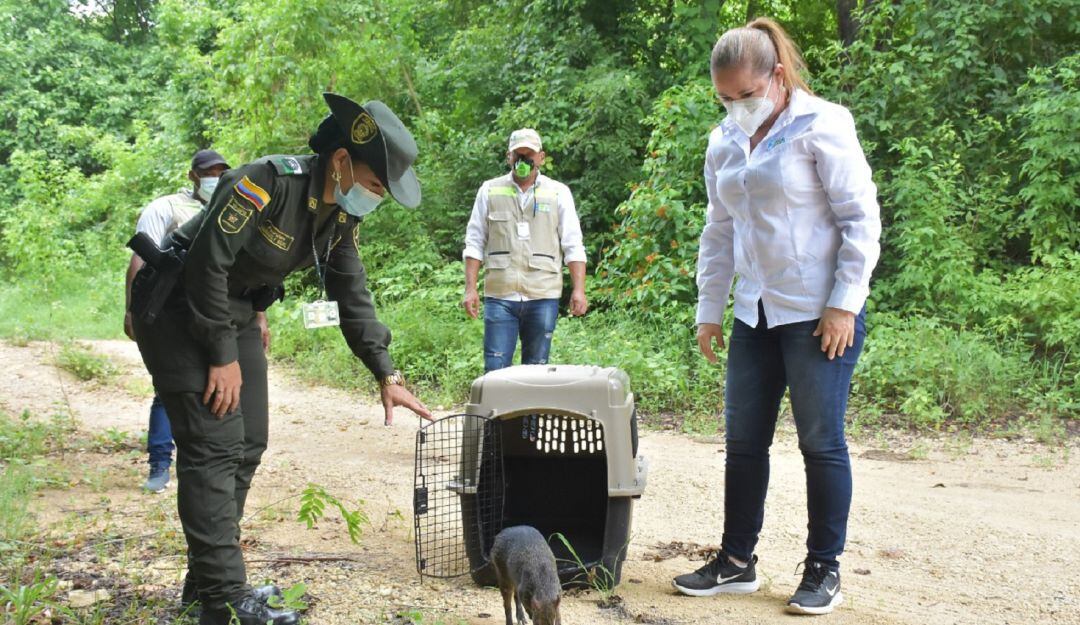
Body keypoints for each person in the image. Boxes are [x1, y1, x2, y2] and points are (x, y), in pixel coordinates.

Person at [130, 93, 433, 625]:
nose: (376, 198)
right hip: (180, 307)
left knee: (248, 443)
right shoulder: (266, 182)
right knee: (214, 446)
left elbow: (352, 293)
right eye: (375, 184)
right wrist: (221, 355)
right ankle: (226, 598)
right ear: (341, 161)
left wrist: (385, 371)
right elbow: (206, 263)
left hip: (237, 310)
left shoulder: (336, 216)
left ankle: (206, 590)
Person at [671, 18, 881, 616]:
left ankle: (823, 569)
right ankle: (736, 562)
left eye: (746, 94)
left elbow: (860, 220)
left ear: (778, 77)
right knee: (743, 442)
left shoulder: (824, 123)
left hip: (818, 314)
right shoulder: (723, 141)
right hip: (754, 313)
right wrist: (709, 309)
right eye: (726, 97)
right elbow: (719, 230)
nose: (737, 106)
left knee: (821, 442)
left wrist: (845, 302)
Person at [121, 149, 261, 493]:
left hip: (222, 317)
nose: (214, 176)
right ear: (193, 175)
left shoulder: (234, 208)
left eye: (220, 171)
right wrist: (132, 311)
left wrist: (260, 317)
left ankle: (208, 466)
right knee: (168, 392)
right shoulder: (166, 208)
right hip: (172, 315)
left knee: (218, 392)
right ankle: (159, 464)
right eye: (207, 172)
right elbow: (142, 259)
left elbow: (248, 273)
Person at [461, 128, 588, 372]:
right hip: (500, 295)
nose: (523, 160)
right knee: (496, 369)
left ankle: (529, 413)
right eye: (518, 154)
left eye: (528, 154)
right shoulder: (489, 190)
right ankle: (497, 412)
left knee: (537, 373)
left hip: (543, 294)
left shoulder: (558, 192)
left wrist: (579, 290)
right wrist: (470, 289)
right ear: (509, 157)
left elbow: (573, 244)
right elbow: (474, 241)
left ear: (541, 157)